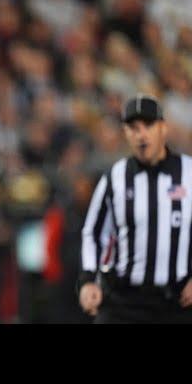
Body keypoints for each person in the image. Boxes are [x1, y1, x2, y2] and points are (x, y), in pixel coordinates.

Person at [79, 95, 192, 323]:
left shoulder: (189, 173)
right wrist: (88, 280)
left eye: (148, 126)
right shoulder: (115, 178)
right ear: (125, 133)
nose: (142, 135)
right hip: (125, 301)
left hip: (177, 302)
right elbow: (93, 232)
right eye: (134, 128)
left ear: (163, 128)